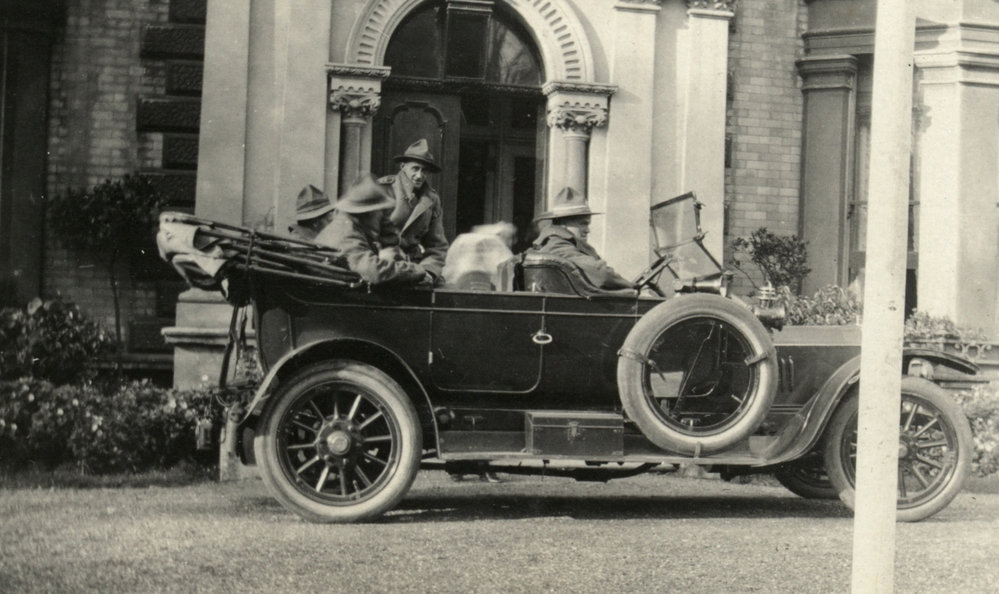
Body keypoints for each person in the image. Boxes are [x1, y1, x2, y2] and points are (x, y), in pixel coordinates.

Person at [315, 175, 433, 286]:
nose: (384, 217)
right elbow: (374, 272)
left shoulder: (347, 225)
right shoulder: (347, 233)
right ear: (368, 213)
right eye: (381, 211)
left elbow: (388, 236)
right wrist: (417, 271)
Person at [530, 187, 633, 290]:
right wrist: (632, 286)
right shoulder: (557, 246)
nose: (587, 230)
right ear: (564, 223)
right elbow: (601, 274)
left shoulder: (557, 243)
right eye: (583, 224)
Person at [378, 139, 450, 282]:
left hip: (412, 267)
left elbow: (437, 246)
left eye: (424, 170)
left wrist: (429, 270)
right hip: (380, 263)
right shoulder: (383, 189)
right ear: (403, 166)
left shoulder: (431, 199)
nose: (419, 175)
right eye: (415, 168)